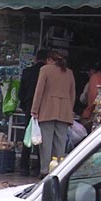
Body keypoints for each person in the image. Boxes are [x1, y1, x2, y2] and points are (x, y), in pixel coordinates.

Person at [31, 49, 76, 177]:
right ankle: (59, 169)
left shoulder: (45, 70)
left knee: (46, 142)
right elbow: (72, 94)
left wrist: (35, 109)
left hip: (47, 110)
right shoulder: (69, 73)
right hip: (64, 111)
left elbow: (39, 91)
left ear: (50, 59)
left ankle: (45, 170)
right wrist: (69, 109)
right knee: (60, 142)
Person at [18, 48, 48, 175]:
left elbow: (21, 92)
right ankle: (40, 166)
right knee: (42, 137)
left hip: (29, 106)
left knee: (28, 135)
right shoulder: (47, 72)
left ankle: (24, 166)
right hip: (45, 106)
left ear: (36, 58)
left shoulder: (27, 72)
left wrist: (25, 105)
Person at [79, 63, 101, 130]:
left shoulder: (94, 78)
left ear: (92, 70)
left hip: (93, 112)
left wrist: (88, 110)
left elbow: (85, 99)